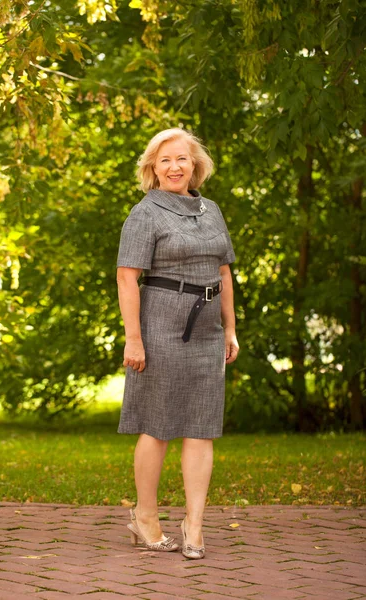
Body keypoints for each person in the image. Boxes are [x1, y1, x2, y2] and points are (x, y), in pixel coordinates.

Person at [116, 127, 239, 559]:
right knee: (158, 426)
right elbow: (127, 276)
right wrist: (135, 338)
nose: (174, 167)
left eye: (181, 159)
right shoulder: (144, 213)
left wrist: (229, 329)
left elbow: (224, 273)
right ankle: (145, 517)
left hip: (207, 330)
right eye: (165, 160)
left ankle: (195, 525)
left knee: (202, 426)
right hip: (160, 326)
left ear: (195, 165)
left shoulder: (212, 210)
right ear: (153, 167)